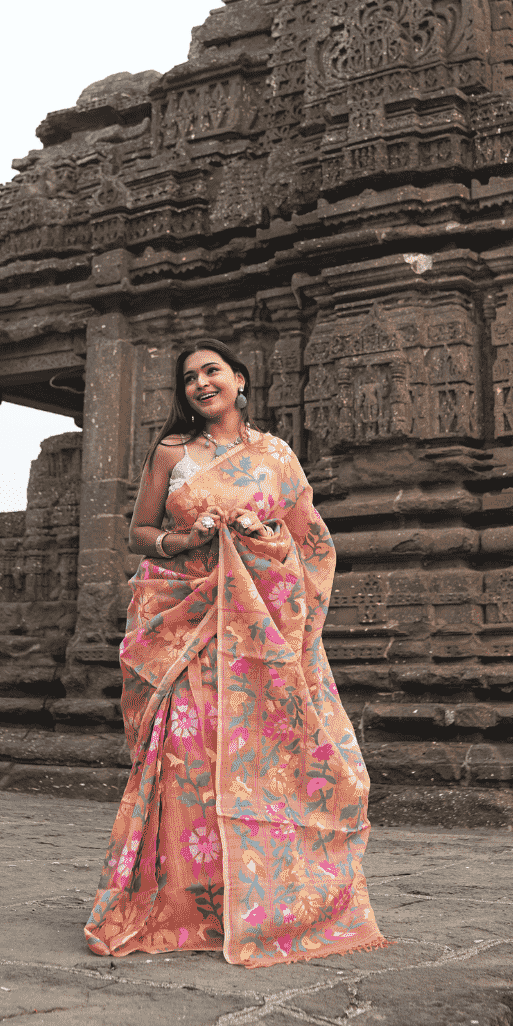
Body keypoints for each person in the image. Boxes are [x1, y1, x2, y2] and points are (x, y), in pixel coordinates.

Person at [84, 339, 385, 968]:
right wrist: (181, 538)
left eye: (212, 371)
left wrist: (268, 545)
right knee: (191, 761)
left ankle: (268, 902)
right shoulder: (172, 452)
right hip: (189, 622)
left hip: (262, 631)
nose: (200, 383)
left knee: (263, 758)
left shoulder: (275, 455)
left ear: (239, 380)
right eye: (189, 377)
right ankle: (187, 908)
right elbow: (139, 531)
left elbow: (313, 539)